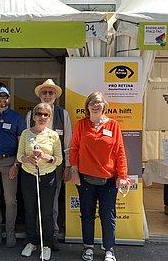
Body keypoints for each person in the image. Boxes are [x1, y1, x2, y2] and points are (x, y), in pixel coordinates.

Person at [69, 92, 129, 261]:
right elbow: (74, 149)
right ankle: (88, 246)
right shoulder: (81, 125)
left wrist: (122, 175)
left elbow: (120, 152)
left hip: (109, 180)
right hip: (85, 178)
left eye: (98, 103)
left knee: (107, 215)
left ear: (104, 106)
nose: (95, 105)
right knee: (87, 213)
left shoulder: (113, 125)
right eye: (92, 103)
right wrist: (74, 171)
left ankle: (109, 249)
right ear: (87, 106)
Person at [25, 78, 72, 251]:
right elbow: (25, 139)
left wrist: (68, 166)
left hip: (55, 164)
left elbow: (68, 142)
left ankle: (51, 236)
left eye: (50, 92)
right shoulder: (31, 114)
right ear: (40, 95)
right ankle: (36, 237)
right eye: (44, 92)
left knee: (51, 203)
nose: (47, 95)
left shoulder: (62, 114)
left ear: (55, 96)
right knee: (34, 202)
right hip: (34, 165)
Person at [17, 103, 62, 260]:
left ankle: (47, 244)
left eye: (46, 115)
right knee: (30, 211)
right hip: (29, 176)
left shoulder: (53, 135)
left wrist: (45, 156)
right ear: (34, 116)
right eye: (39, 114)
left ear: (49, 118)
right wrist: (28, 158)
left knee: (47, 213)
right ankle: (31, 242)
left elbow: (59, 159)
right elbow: (19, 156)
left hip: (48, 177)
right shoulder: (25, 134)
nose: (42, 117)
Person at [0, 86, 26, 248]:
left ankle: (10, 231)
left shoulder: (16, 117)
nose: (2, 100)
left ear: (9, 99)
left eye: (5, 97)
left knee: (10, 200)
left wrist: (17, 164)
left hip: (9, 161)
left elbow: (22, 143)